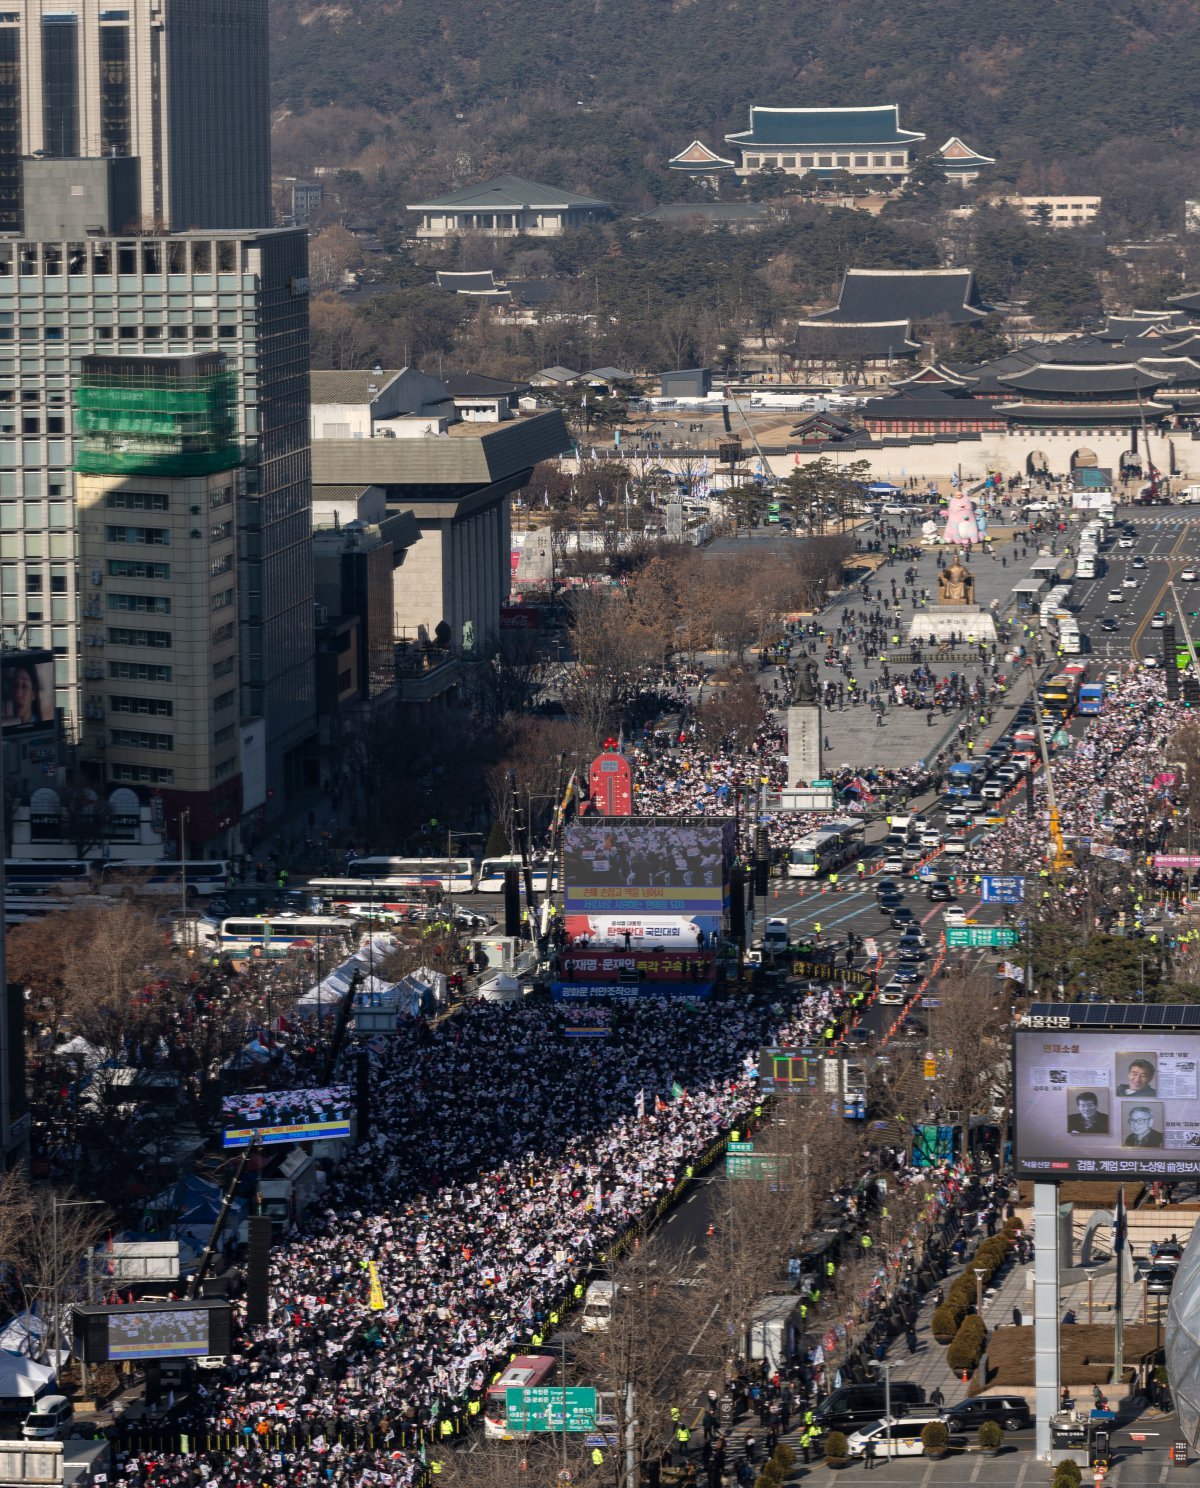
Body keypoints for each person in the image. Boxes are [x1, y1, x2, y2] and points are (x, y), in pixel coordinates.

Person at [2, 658, 44, 727]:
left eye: (24, 686)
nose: (18, 694)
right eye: (15, 684)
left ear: (33, 693)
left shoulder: (40, 728)